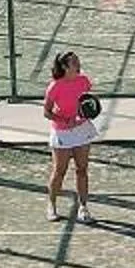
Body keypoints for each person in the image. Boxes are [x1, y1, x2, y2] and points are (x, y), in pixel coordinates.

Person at [43, 50, 99, 223]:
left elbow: (88, 101)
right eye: (74, 62)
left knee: (82, 169)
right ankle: (51, 205)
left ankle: (83, 208)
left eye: (77, 60)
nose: (78, 64)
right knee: (59, 171)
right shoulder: (55, 86)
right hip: (62, 132)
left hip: (82, 130)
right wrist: (65, 121)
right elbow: (47, 112)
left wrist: (88, 112)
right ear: (65, 67)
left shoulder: (84, 81)